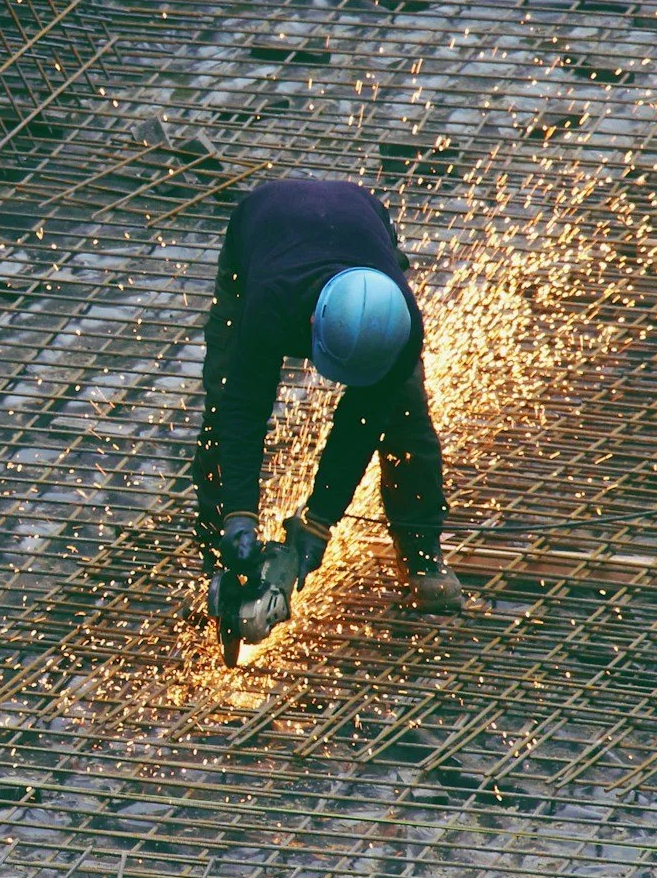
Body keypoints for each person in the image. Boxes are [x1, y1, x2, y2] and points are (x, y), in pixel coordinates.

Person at [192, 177, 464, 613]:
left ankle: (422, 557)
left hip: (360, 221)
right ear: (314, 326)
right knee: (224, 403)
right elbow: (245, 408)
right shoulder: (270, 304)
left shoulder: (401, 325)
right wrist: (239, 513)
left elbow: (360, 425)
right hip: (264, 233)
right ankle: (221, 555)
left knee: (405, 417)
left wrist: (319, 522)